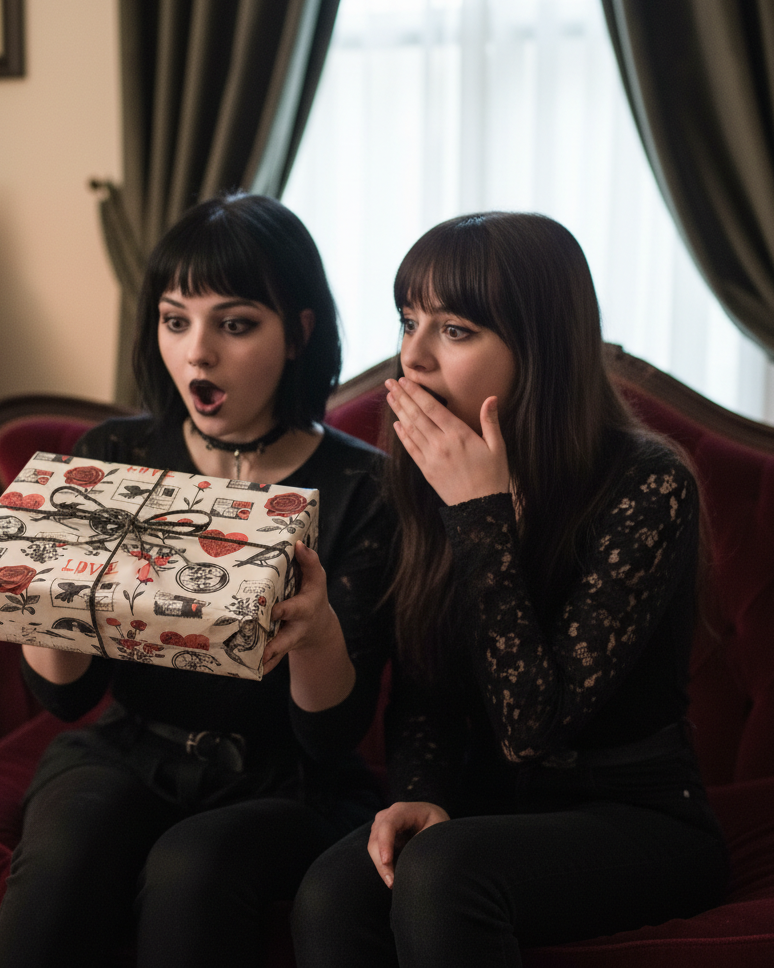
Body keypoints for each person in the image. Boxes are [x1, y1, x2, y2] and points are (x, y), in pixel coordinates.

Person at [291, 212, 730, 968]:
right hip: (487, 809)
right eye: (409, 322)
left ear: (540, 348)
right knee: (333, 891)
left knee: (443, 874)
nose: (413, 356)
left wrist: (480, 515)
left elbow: (534, 729)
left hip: (638, 814)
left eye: (455, 330)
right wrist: (421, 794)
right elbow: (425, 692)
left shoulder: (649, 484)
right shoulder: (422, 475)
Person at [0, 193, 393, 968]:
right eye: (176, 321)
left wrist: (315, 636)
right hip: (126, 750)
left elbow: (331, 735)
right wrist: (47, 592)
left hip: (288, 782)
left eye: (234, 325)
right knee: (68, 853)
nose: (197, 354)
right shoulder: (114, 456)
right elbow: (66, 696)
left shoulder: (362, 488)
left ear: (299, 333)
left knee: (192, 868)